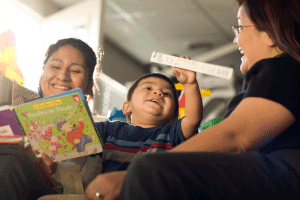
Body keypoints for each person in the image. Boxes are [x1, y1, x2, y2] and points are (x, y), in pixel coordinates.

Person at [84, 0, 300, 199]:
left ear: (270, 33)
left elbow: (235, 136)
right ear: (127, 106)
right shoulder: (110, 130)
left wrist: (130, 176)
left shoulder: (284, 67)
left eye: (240, 28)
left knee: (148, 171)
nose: (236, 39)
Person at [0, 38, 99, 199]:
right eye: (55, 67)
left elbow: (74, 194)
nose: (62, 76)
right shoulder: (6, 113)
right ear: (41, 76)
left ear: (89, 86)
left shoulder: (87, 137)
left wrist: (52, 172)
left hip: (39, 189)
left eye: (75, 71)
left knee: (10, 165)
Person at [97, 71, 202, 174]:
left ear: (174, 117)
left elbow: (192, 119)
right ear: (127, 106)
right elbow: (82, 131)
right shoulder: (110, 130)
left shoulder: (170, 134)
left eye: (166, 93)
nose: (158, 93)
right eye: (148, 88)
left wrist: (190, 85)